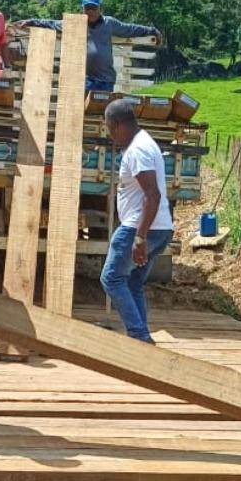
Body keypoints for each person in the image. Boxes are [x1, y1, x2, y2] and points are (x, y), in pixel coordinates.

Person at [98, 99, 173, 343]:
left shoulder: (138, 150)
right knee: (132, 282)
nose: (111, 135)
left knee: (111, 278)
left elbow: (153, 195)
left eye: (110, 129)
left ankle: (138, 336)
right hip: (160, 228)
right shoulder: (145, 143)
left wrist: (139, 237)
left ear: (118, 124)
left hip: (139, 227)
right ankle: (142, 338)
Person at [17, 0, 163, 91]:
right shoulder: (75, 23)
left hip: (106, 80)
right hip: (85, 80)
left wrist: (152, 31)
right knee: (83, 116)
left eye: (94, 8)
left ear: (100, 8)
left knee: (102, 114)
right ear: (83, 8)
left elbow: (130, 29)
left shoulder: (109, 23)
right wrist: (30, 21)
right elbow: (50, 23)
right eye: (88, 8)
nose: (91, 11)